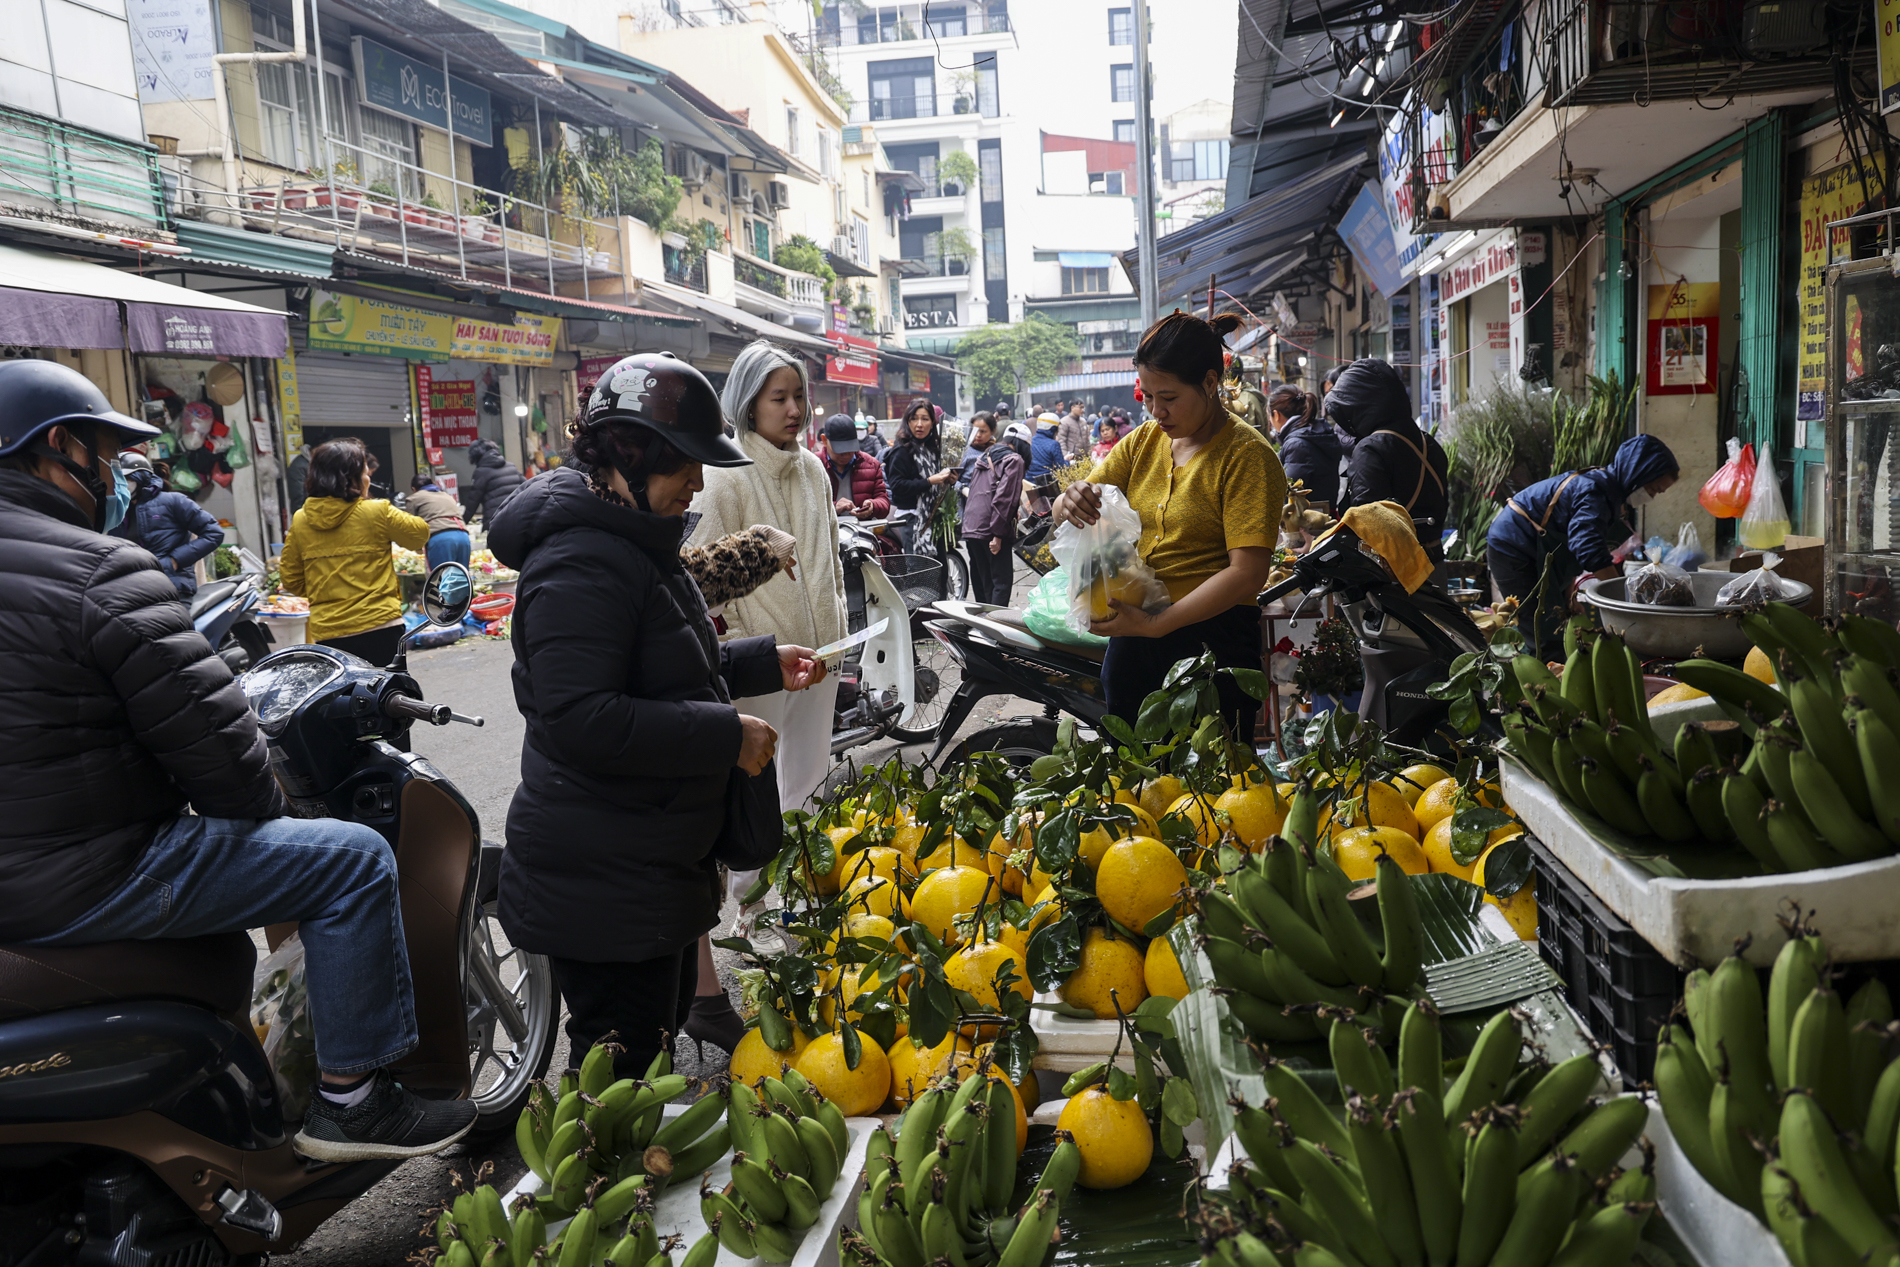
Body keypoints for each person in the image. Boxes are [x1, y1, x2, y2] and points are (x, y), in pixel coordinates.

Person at [0, 359, 475, 1160]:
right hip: (84, 875)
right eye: (106, 458)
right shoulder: (102, 570)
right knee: (350, 860)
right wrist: (273, 803)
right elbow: (223, 757)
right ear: (60, 448)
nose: (114, 477)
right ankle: (353, 1102)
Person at [492, 352, 825, 1082]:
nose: (700, 483)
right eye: (685, 465)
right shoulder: (579, 563)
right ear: (629, 457)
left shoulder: (635, 540)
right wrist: (725, 735)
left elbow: (668, 667)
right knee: (619, 1065)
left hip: (646, 866)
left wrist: (762, 662)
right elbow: (584, 718)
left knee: (649, 1044)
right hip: (602, 875)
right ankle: (594, 1188)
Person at [1052, 311, 1285, 729]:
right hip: (1133, 641)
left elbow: (1247, 574)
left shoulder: (1247, 456)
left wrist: (1159, 624)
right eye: (1148, 397)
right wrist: (1069, 501)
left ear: (1210, 383)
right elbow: (1072, 505)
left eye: (1170, 398)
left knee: (1211, 788)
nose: (1157, 411)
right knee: (1134, 784)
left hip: (1213, 649)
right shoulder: (1143, 442)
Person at [1487, 434, 1680, 648]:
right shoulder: (1595, 491)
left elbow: (1572, 545)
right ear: (1638, 474)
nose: (1651, 497)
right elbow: (1588, 548)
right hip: (1514, 544)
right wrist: (1619, 599)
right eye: (1652, 489)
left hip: (1542, 549)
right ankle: (1537, 676)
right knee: (1542, 629)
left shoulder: (1611, 493)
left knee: (1561, 617)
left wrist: (1570, 594)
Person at [279, 439, 431, 667]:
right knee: (391, 697)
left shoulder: (301, 519)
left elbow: (291, 579)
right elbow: (419, 535)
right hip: (380, 625)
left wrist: (324, 588)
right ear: (352, 477)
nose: (368, 477)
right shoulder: (377, 511)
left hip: (329, 633)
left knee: (345, 700)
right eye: (364, 471)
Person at [1325, 358, 1450, 560]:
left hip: (1398, 573)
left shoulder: (1370, 449)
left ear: (1358, 407)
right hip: (1434, 561)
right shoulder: (1428, 442)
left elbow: (1368, 524)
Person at [112, 450, 224, 596]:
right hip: (135, 590)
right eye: (117, 480)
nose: (120, 486)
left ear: (139, 478)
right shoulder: (117, 511)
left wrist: (174, 561)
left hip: (172, 588)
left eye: (125, 480)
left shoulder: (174, 501)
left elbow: (214, 532)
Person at [960, 413, 1024, 605]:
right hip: (989, 526)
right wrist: (998, 535)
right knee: (1000, 582)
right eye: (975, 430)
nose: (978, 435)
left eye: (983, 430)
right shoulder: (1013, 459)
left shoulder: (985, 455)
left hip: (971, 525)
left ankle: (982, 624)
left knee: (984, 581)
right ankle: (994, 627)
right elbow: (1003, 499)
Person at [1269, 384, 1348, 510]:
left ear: (1276, 415)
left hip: (1308, 522)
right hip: (1323, 513)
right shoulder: (1316, 432)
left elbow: (1288, 491)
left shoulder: (1297, 444)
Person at [820, 413, 891, 519]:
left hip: (862, 530)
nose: (846, 455)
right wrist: (833, 507)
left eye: (850, 449)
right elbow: (805, 506)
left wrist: (873, 506)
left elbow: (884, 501)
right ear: (825, 440)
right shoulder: (813, 466)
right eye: (840, 450)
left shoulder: (871, 465)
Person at [408, 472, 471, 570]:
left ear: (414, 489)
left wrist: (417, 548)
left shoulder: (414, 498)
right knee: (462, 579)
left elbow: (410, 526)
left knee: (441, 579)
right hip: (463, 537)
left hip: (441, 539)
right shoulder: (446, 496)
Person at [462, 438, 524, 524]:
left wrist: (462, 523)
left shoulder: (481, 472)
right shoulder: (512, 466)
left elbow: (473, 502)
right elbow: (528, 486)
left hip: (495, 521)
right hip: (517, 517)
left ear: (476, 456)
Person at [1028, 411, 1066, 485]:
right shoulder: (1054, 444)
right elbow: (1061, 468)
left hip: (1028, 482)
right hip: (1046, 484)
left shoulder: (1030, 441)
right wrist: (1068, 462)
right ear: (1052, 429)